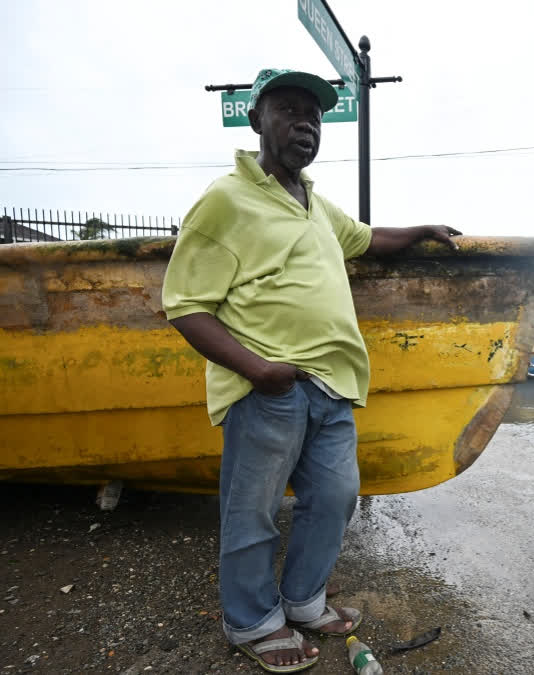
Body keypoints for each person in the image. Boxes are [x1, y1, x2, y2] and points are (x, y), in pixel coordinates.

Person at [161, 68, 460, 673]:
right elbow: (184, 304)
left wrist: (422, 229)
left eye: (314, 115)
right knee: (254, 509)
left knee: (336, 496)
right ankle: (250, 621)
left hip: (333, 384)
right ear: (256, 120)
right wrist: (259, 369)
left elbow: (366, 238)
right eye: (289, 110)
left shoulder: (316, 205)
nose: (305, 122)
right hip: (266, 385)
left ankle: (301, 601)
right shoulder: (226, 199)